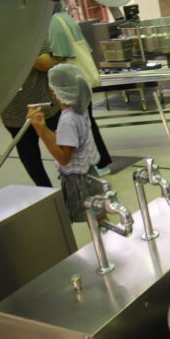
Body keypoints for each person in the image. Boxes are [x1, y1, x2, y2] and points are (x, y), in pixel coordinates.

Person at [27, 64, 104, 222]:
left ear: (54, 92)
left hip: (78, 180)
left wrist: (40, 131)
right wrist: (42, 127)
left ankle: (105, 244)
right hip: (89, 173)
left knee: (94, 218)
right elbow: (65, 141)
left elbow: (63, 157)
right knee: (99, 215)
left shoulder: (67, 120)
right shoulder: (79, 109)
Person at [49, 9, 113, 176]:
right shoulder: (65, 18)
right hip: (81, 80)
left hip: (73, 83)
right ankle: (101, 161)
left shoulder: (55, 21)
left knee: (81, 123)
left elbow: (60, 54)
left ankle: (99, 163)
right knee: (87, 122)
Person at [0, 40, 62, 187]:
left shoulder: (31, 35)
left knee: (67, 150)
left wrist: (16, 48)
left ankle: (79, 190)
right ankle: (47, 194)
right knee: (30, 160)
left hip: (46, 108)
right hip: (14, 114)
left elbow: (45, 63)